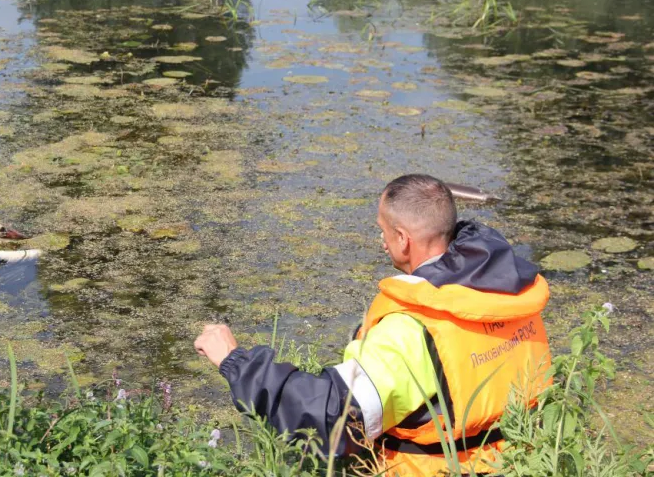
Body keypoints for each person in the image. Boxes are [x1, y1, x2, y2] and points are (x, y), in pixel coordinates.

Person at [194, 174, 553, 476]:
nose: (381, 241)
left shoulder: (411, 329)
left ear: (403, 239)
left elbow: (330, 414)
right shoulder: (509, 292)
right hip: (521, 463)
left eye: (383, 230)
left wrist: (234, 360)